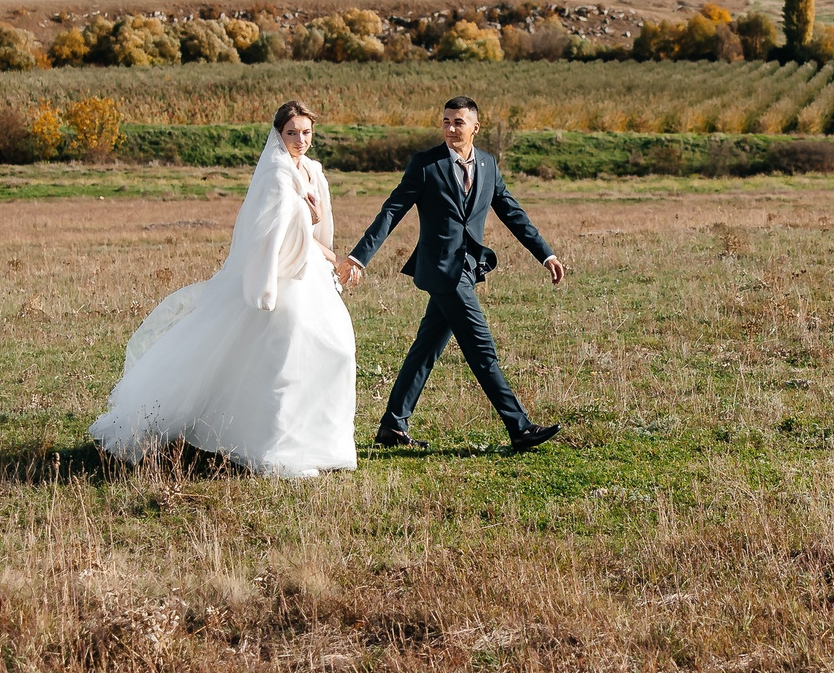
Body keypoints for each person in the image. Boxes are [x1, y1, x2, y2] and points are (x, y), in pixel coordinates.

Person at [91, 101, 356, 477]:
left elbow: (312, 234)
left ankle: (318, 442)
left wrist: (333, 257)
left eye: (306, 132)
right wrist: (303, 216)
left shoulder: (312, 171)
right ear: (279, 135)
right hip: (276, 277)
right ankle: (274, 444)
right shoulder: (276, 174)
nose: (300, 140)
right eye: (292, 133)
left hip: (307, 273)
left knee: (336, 349)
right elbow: (267, 233)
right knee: (282, 358)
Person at [339, 95, 565, 451]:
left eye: (458, 122)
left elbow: (513, 213)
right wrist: (359, 257)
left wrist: (545, 254)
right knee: (481, 348)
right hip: (441, 271)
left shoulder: (489, 165)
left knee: (426, 348)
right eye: (445, 121)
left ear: (476, 127)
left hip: (466, 268)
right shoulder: (425, 165)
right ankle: (520, 428)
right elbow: (391, 212)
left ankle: (392, 427)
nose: (450, 128)